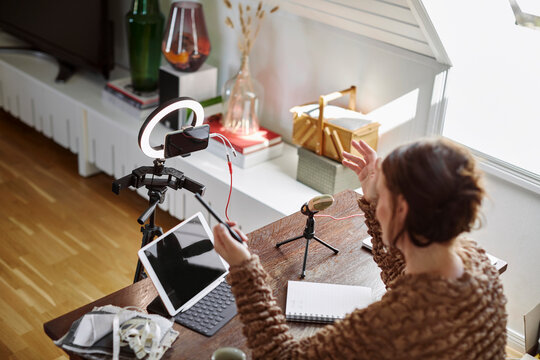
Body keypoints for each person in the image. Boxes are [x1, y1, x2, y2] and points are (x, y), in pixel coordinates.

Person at [212, 138, 507, 359]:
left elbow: (281, 357)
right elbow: (402, 278)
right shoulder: (478, 265)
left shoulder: (393, 322)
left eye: (385, 195)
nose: (377, 210)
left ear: (402, 209)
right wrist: (376, 198)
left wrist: (244, 270)